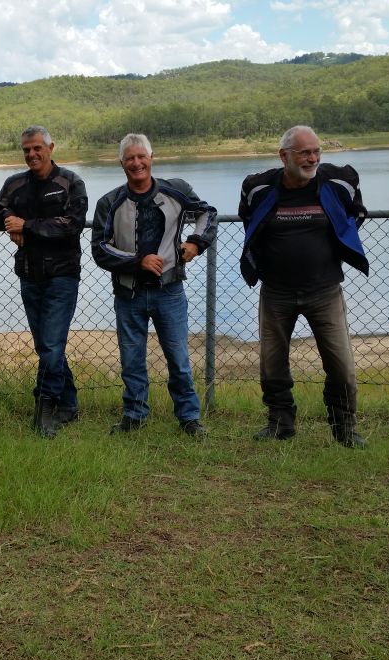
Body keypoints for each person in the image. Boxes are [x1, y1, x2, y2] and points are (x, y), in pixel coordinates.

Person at [238, 125, 370, 447]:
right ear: (284, 156)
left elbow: (355, 213)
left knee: (341, 365)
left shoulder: (338, 182)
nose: (312, 158)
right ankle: (280, 423)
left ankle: (344, 428)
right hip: (276, 292)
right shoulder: (258, 187)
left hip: (324, 291)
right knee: (272, 363)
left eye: (316, 151)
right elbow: (250, 221)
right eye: (304, 153)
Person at [92, 133, 216, 437]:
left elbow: (207, 214)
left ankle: (189, 418)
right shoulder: (109, 203)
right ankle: (134, 415)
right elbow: (100, 249)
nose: (137, 163)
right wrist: (138, 261)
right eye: (130, 158)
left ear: (151, 157)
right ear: (121, 163)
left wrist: (196, 244)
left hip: (169, 290)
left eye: (141, 156)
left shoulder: (177, 191)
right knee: (131, 359)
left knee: (178, 358)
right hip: (128, 293)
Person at [0, 125, 89, 438]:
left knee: (52, 346)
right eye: (27, 150)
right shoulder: (15, 184)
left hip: (62, 276)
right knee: (47, 345)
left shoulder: (70, 182)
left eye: (37, 148)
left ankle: (45, 409)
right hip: (29, 276)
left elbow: (73, 224)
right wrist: (7, 222)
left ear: (51, 148)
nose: (32, 154)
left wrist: (26, 225)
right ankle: (69, 404)